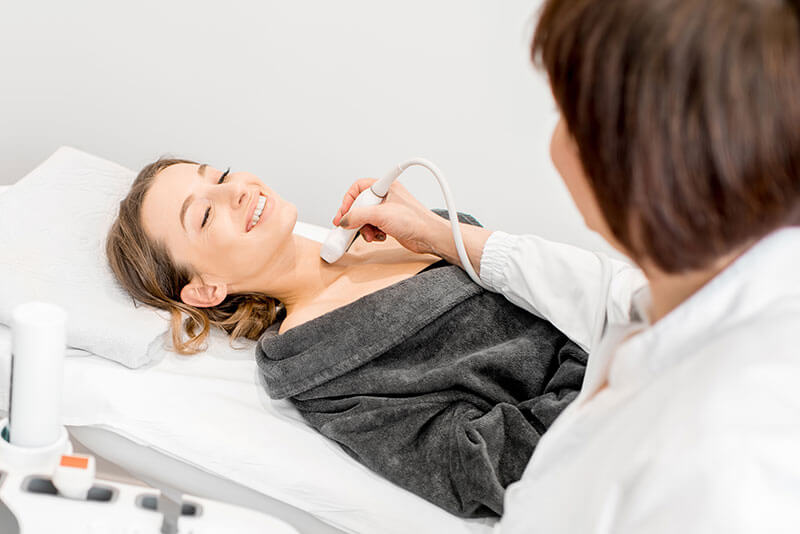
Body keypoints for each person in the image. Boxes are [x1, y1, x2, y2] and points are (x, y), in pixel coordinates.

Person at [330, 0, 800, 531]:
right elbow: (605, 291)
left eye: (566, 115)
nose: (554, 141)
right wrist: (439, 233)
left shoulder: (724, 473)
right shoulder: (705, 281)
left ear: (635, 161)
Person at [104, 158, 589, 517]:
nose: (235, 192)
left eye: (223, 176)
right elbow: (478, 469)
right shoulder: (318, 365)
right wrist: (604, 367)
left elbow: (565, 288)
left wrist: (439, 231)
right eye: (204, 216)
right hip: (619, 422)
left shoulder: (411, 229)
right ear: (207, 289)